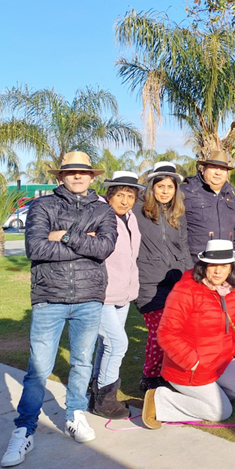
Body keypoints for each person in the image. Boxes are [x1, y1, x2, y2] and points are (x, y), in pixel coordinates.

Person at [2, 152, 117, 468]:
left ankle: (75, 414)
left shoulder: (103, 210)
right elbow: (35, 248)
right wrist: (83, 242)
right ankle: (24, 428)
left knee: (82, 361)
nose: (78, 176)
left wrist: (63, 235)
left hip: (89, 297)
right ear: (60, 177)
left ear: (92, 176)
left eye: (83, 172)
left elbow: (104, 248)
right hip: (48, 297)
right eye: (71, 172)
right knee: (39, 367)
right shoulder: (42, 206)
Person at [141, 240, 235, 429]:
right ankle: (161, 398)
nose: (218, 271)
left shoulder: (234, 290)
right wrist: (192, 361)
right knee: (221, 411)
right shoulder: (185, 290)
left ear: (231, 268)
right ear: (203, 265)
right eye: (213, 265)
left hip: (220, 361)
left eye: (223, 266)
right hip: (189, 367)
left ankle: (208, 396)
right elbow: (166, 333)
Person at [91, 171, 144, 420]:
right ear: (109, 195)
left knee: (106, 345)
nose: (125, 201)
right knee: (117, 343)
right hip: (101, 292)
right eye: (120, 195)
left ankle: (95, 390)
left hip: (123, 293)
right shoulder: (98, 215)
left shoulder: (130, 218)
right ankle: (106, 399)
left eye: (130, 196)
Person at [135, 161, 191, 392]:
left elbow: (184, 248)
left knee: (178, 331)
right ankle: (151, 375)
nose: (166, 191)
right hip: (149, 282)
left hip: (177, 281)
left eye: (170, 186)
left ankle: (169, 373)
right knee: (159, 332)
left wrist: (189, 279)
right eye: (161, 186)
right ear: (151, 187)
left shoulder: (178, 213)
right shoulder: (137, 211)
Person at [181, 150, 235, 264]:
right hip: (196, 263)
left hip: (225, 263)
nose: (218, 172)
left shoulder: (231, 196)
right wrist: (186, 263)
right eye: (213, 167)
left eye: (223, 169)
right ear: (203, 170)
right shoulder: (185, 193)